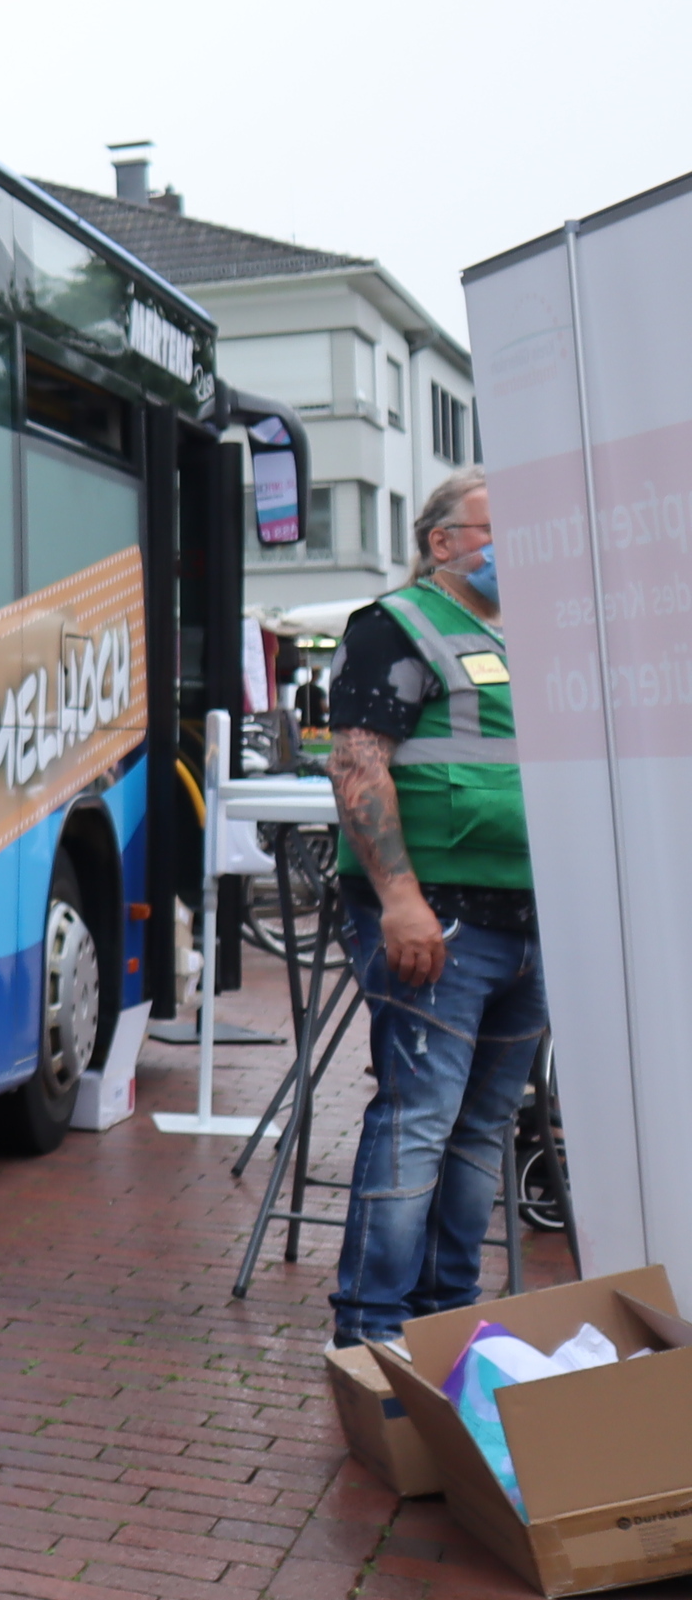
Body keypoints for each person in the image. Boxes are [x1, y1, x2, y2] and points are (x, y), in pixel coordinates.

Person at [325, 469, 541, 1347]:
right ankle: (374, 1333)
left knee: (482, 1127)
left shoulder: (533, 634)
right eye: (495, 526)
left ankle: (445, 1320)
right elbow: (357, 763)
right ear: (441, 540)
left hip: (530, 921)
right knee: (419, 1119)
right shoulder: (397, 625)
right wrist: (399, 900)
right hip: (439, 919)